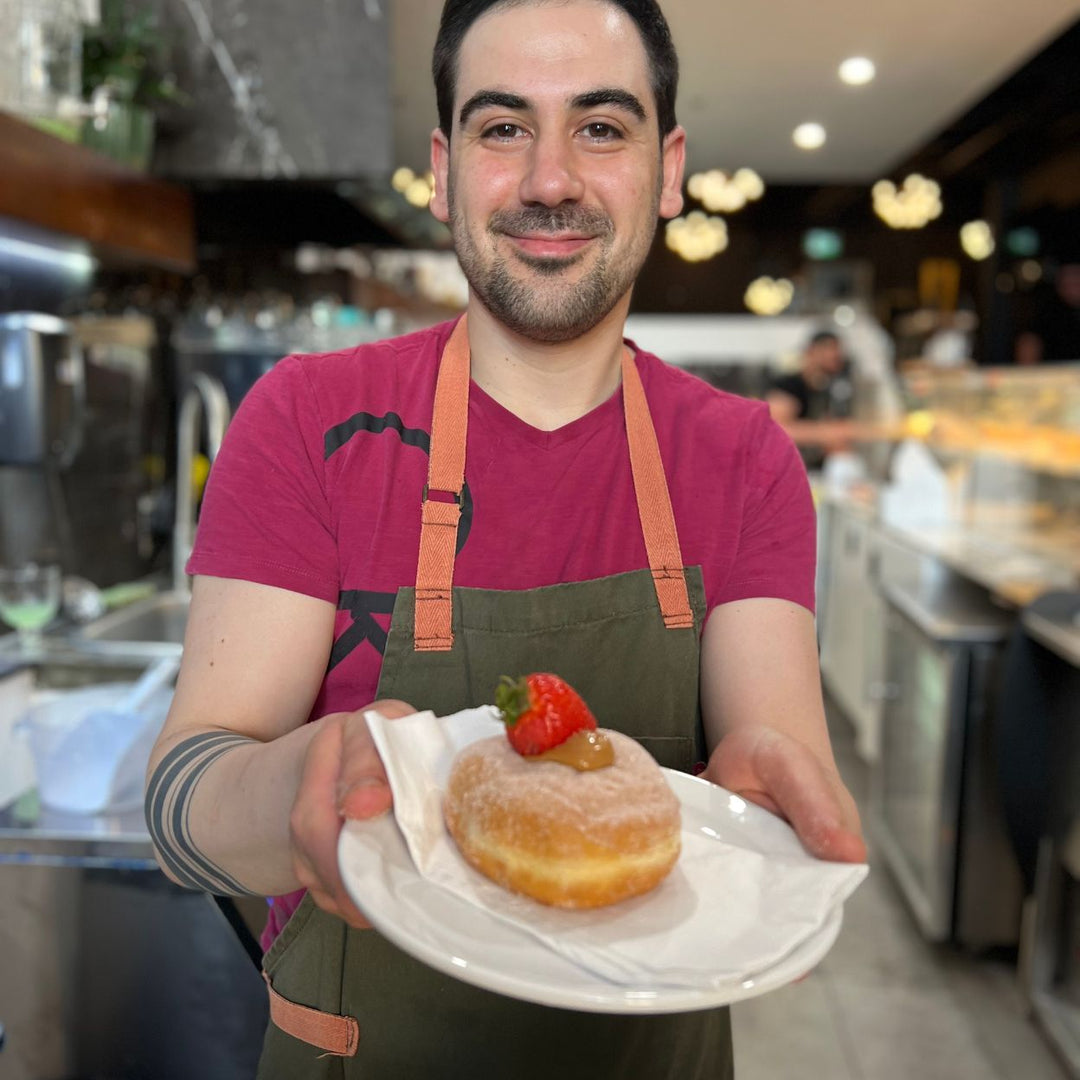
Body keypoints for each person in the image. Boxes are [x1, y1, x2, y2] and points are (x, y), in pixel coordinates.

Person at [144, 2, 865, 1077]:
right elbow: (179, 808)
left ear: (669, 171)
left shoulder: (743, 456)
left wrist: (773, 823)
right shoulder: (307, 422)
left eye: (601, 128)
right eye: (502, 128)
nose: (550, 180)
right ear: (443, 171)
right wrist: (295, 784)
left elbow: (774, 759)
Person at [766, 329, 857, 468]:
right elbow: (777, 429)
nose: (836, 355)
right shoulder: (788, 385)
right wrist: (825, 433)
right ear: (811, 351)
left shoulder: (831, 388)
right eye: (829, 349)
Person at [1015, 260, 1080, 365]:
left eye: (1076, 277)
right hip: (1056, 372)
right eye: (1068, 279)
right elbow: (1028, 343)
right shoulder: (1048, 312)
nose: (1073, 284)